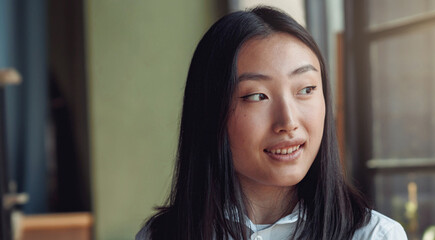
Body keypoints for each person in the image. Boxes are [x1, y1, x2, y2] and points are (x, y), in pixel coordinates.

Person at [136, 6, 407, 240]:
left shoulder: (375, 235)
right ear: (209, 111)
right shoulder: (160, 235)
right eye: (257, 96)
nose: (288, 122)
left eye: (306, 89)